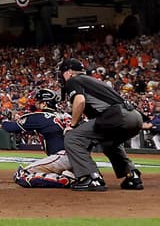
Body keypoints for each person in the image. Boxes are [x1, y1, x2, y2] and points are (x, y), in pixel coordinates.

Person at [58, 58, 144, 191]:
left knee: (73, 137)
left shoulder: (74, 80)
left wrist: (73, 125)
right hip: (135, 117)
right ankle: (132, 175)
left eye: (62, 73)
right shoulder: (94, 81)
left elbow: (80, 101)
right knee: (109, 143)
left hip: (117, 116)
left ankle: (91, 177)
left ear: (69, 72)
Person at [0, 88, 73, 188]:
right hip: (79, 157)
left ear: (44, 104)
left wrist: (0, 117)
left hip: (62, 156)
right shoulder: (66, 115)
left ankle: (63, 180)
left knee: (21, 176)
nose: (36, 103)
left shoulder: (39, 116)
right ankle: (73, 176)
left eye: (38, 101)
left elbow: (9, 128)